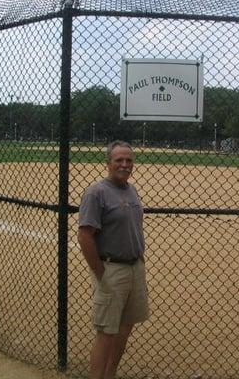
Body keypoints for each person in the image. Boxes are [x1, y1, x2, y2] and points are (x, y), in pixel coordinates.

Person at [78, 140, 149, 379]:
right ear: (108, 163)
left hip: (134, 267)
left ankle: (110, 375)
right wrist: (101, 273)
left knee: (124, 329)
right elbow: (85, 236)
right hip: (111, 269)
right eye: (119, 160)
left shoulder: (131, 189)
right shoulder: (96, 192)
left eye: (128, 160)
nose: (125, 164)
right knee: (107, 333)